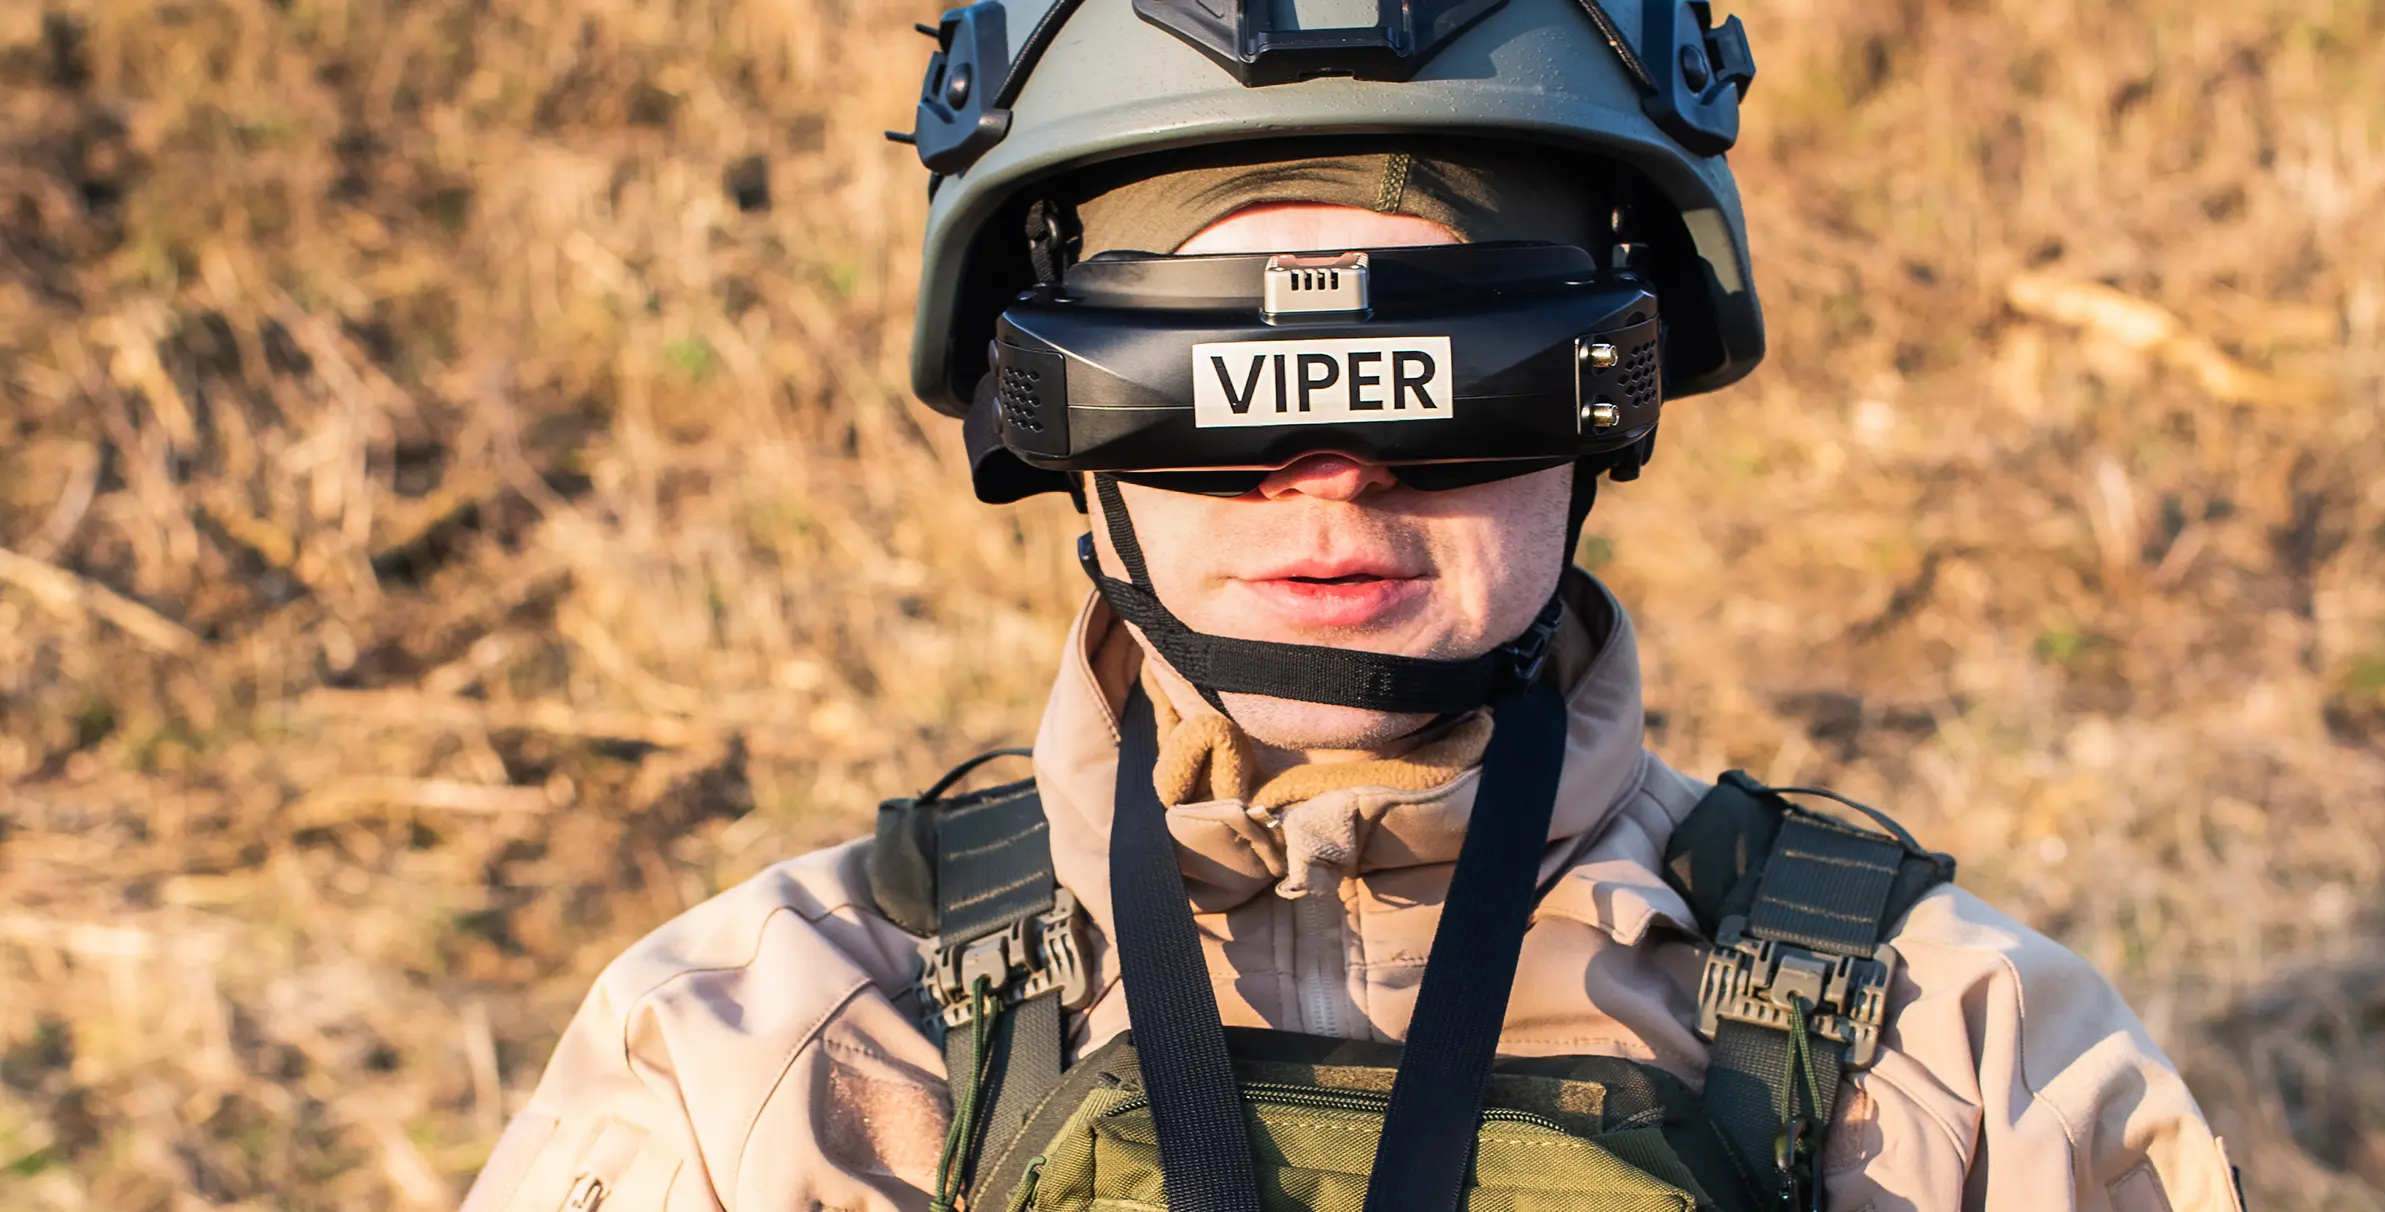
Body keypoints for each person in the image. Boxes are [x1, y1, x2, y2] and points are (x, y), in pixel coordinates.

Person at [462, 2, 2249, 1209]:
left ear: (1606, 406)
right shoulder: (766, 1057)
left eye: (1450, 385)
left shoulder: (1957, 1063)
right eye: (1210, 394)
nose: (1333, 479)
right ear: (1056, 422)